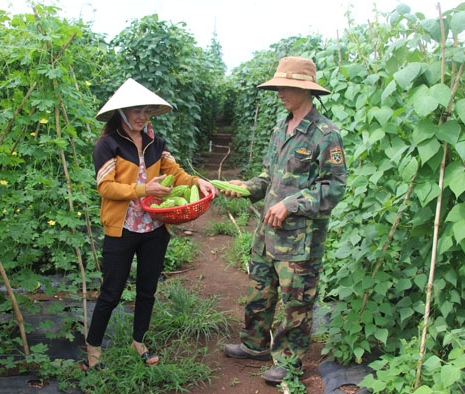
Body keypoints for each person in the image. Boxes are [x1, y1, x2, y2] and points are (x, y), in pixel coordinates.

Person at [220, 57, 347, 384]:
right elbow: (269, 177)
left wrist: (292, 204)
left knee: (296, 306)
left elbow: (333, 188)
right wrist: (246, 187)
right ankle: (255, 345)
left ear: (306, 90)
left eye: (287, 87)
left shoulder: (325, 133)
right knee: (259, 294)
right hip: (267, 234)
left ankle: (289, 364)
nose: (280, 93)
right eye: (278, 86)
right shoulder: (281, 127)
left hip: (299, 241)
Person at [85, 78, 217, 369]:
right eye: (136, 110)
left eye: (146, 111)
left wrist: (199, 182)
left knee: (147, 289)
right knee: (112, 291)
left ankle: (139, 341)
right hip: (122, 229)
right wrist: (145, 189)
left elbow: (178, 174)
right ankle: (93, 347)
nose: (142, 116)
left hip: (154, 229)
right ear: (121, 112)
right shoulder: (108, 145)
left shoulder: (156, 144)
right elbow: (105, 187)